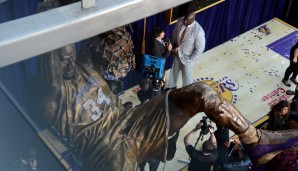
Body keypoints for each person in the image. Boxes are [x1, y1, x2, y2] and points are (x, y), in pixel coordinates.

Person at [165, 10, 205, 89]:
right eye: (185, 19)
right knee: (173, 73)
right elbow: (175, 34)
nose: (185, 21)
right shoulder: (180, 21)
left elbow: (200, 49)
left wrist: (190, 59)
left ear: (193, 20)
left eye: (187, 20)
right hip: (177, 54)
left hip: (188, 59)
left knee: (187, 79)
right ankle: (170, 89)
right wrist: (174, 47)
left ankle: (187, 92)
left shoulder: (198, 31)